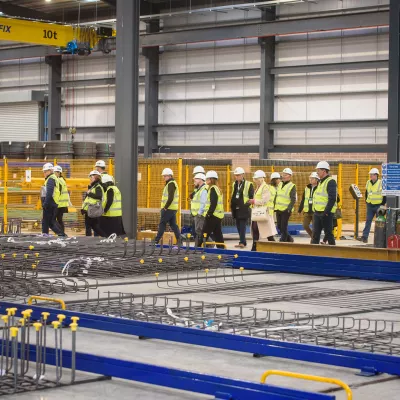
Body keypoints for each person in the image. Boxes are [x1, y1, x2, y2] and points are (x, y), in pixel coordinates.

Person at [249, 170, 277, 251]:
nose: (255, 181)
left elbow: (264, 200)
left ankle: (274, 246)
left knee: (267, 233)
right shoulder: (258, 187)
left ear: (261, 179)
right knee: (255, 229)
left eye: (257, 179)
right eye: (255, 179)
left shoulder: (265, 188)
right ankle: (254, 247)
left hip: (263, 212)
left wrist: (254, 201)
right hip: (258, 212)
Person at [311, 161, 337, 246]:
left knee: (329, 234)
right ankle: (313, 254)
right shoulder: (320, 182)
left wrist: (326, 212)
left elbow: (332, 199)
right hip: (317, 212)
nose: (317, 172)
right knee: (315, 235)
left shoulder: (331, 182)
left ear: (324, 171)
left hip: (326, 213)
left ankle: (334, 254)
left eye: (318, 170)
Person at [358, 168, 386, 243]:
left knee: (380, 222)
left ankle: (380, 238)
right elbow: (366, 192)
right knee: (368, 221)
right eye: (370, 174)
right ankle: (364, 237)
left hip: (378, 206)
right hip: (370, 205)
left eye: (372, 174)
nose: (370, 176)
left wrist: (382, 205)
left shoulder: (381, 183)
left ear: (376, 175)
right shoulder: (368, 182)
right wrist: (366, 201)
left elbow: (384, 195)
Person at [155, 168, 181, 245]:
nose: (164, 177)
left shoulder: (171, 184)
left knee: (162, 223)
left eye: (165, 176)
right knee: (173, 225)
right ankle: (180, 241)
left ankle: (156, 240)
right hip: (172, 208)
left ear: (169, 176)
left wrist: (165, 207)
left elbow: (170, 197)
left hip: (168, 209)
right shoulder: (172, 183)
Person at [231, 167, 254, 248]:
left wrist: (246, 205)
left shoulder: (249, 184)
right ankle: (242, 241)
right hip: (236, 208)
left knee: (242, 225)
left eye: (238, 175)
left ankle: (242, 242)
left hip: (244, 208)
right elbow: (233, 195)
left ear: (243, 175)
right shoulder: (234, 184)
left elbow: (251, 197)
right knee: (238, 225)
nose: (237, 177)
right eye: (236, 175)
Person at [202, 171, 225, 249]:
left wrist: (209, 214)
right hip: (218, 216)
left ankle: (197, 248)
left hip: (213, 216)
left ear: (211, 179)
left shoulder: (212, 189)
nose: (206, 180)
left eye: (207, 178)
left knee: (204, 234)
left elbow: (213, 203)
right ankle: (222, 250)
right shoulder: (217, 189)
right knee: (218, 235)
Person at [41, 163, 64, 237]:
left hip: (50, 203)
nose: (44, 173)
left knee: (47, 221)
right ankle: (61, 235)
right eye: (43, 172)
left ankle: (61, 235)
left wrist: (45, 203)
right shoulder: (52, 178)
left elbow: (49, 193)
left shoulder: (51, 179)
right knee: (50, 222)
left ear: (50, 170)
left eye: (45, 171)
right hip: (52, 203)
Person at [82, 170, 107, 237]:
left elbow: (99, 196)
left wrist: (89, 193)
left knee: (91, 226)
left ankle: (90, 239)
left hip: (93, 209)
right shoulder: (94, 186)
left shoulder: (98, 186)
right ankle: (104, 237)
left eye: (91, 177)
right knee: (93, 226)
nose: (90, 179)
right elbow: (88, 199)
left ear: (95, 177)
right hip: (90, 209)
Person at [275, 168, 296, 243]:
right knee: (279, 227)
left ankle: (282, 240)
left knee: (284, 226)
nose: (283, 176)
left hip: (286, 210)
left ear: (290, 176)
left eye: (285, 175)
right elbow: (277, 195)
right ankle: (289, 238)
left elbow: (293, 199)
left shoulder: (292, 186)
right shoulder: (280, 184)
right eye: (283, 174)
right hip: (278, 209)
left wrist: (289, 209)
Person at [298, 172, 319, 239]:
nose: (310, 180)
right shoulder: (307, 188)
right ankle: (313, 237)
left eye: (312, 179)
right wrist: (300, 210)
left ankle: (314, 240)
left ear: (317, 180)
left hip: (315, 211)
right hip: (307, 211)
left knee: (315, 227)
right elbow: (303, 199)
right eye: (310, 178)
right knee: (305, 225)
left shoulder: (320, 188)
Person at [190, 173, 208, 247]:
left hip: (200, 214)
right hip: (196, 214)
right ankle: (198, 246)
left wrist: (199, 213)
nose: (194, 181)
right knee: (198, 231)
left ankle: (209, 244)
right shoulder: (199, 189)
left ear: (200, 180)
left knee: (199, 231)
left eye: (195, 179)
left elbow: (203, 203)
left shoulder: (203, 190)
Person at [53, 165, 69, 235]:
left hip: (58, 204)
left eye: (54, 172)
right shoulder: (62, 180)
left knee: (52, 219)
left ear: (58, 173)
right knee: (59, 220)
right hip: (62, 204)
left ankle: (61, 233)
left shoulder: (58, 181)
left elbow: (57, 193)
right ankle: (61, 233)